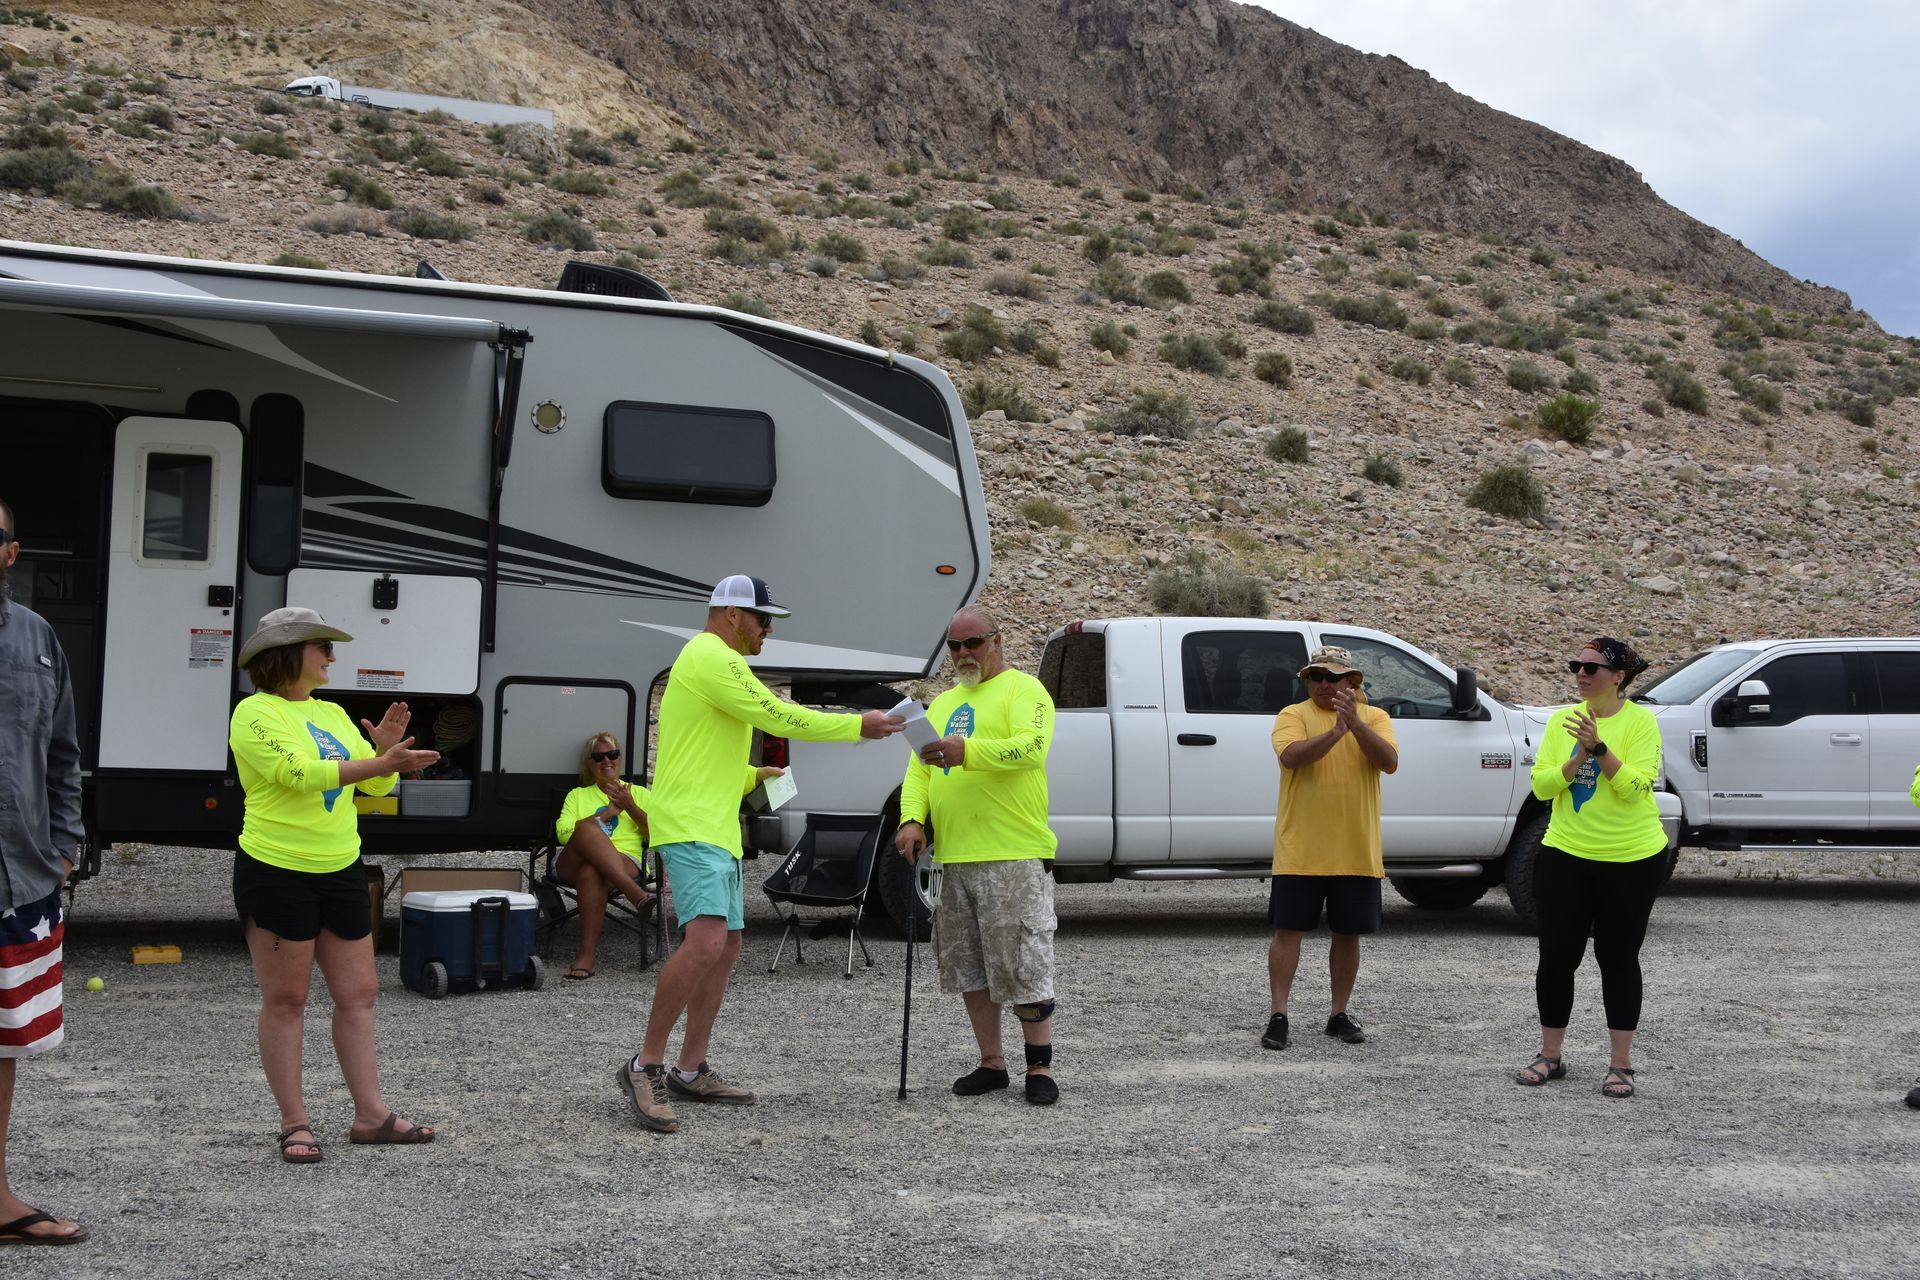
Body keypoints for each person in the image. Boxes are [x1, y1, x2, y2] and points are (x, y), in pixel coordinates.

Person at [616, 575, 900, 1134]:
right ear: (730, 615)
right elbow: (780, 716)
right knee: (707, 943)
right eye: (762, 619)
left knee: (727, 945)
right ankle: (644, 1064)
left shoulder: (712, 663)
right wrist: (855, 726)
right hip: (691, 827)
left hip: (715, 828)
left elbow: (696, 749)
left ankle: (690, 1069)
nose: (768, 630)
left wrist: (752, 774)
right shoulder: (711, 657)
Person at [229, 606, 442, 1162]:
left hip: (340, 867)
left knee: (359, 993)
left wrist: (384, 756)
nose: (332, 655)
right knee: (288, 999)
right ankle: (294, 1123)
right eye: (322, 645)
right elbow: (299, 775)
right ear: (288, 653)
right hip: (277, 871)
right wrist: (377, 763)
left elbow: (373, 793)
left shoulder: (333, 714)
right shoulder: (254, 714)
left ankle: (371, 1116)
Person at [896, 607, 1062, 1105]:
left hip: (1012, 852)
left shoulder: (1025, 691)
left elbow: (1031, 748)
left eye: (973, 642)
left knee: (1022, 962)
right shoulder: (944, 702)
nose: (964, 653)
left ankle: (1039, 1067)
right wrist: (911, 819)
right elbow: (919, 769)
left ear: (997, 640)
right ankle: (992, 1063)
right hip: (956, 857)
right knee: (969, 964)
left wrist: (967, 751)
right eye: (955, 646)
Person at [1517, 636, 1667, 1099]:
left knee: (1617, 959)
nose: (1581, 675)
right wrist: (1576, 756)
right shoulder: (1562, 721)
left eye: (1591, 668)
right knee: (1557, 957)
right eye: (1575, 667)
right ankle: (1550, 1056)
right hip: (1565, 855)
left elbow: (1636, 789)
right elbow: (1541, 787)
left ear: (1618, 676)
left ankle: (1620, 1065)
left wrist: (1600, 749)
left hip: (1631, 858)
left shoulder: (1641, 722)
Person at [0, 501, 87, 1245]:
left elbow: (63, 753)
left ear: (10, 552)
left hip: (17, 880)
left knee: (4, 1043)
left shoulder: (36, 638)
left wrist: (63, 845)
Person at [1262, 645, 1400, 1052]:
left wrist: (1354, 724)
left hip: (1355, 849)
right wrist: (1336, 731)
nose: (1323, 684)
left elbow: (1389, 761)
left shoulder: (1376, 718)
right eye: (1316, 677)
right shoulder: (1293, 715)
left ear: (1351, 682)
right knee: (1288, 932)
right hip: (1300, 849)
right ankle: (1279, 1014)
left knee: (1348, 934)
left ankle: (1338, 1013)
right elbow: (1291, 757)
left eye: (1332, 677)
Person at [554, 731, 656, 980]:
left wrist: (630, 806)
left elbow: (658, 834)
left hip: (625, 859)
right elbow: (563, 833)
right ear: (589, 764)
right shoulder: (577, 795)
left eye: (612, 754)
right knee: (586, 828)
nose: (606, 761)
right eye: (598, 757)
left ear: (620, 758)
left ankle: (586, 956)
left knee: (591, 871)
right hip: (572, 862)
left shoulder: (640, 793)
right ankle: (635, 894)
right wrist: (607, 815)